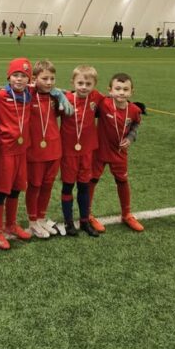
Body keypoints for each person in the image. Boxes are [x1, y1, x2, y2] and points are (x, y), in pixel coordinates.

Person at [88, 73, 144, 232]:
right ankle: (87, 214)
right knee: (92, 180)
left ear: (131, 92)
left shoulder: (134, 110)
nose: (121, 92)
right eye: (117, 88)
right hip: (99, 151)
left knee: (122, 181)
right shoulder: (104, 103)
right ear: (110, 90)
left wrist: (131, 138)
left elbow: (135, 125)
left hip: (119, 152)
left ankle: (126, 214)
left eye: (125, 89)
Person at [0, 58, 33, 249]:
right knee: (2, 190)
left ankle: (11, 224)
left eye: (23, 76)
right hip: (5, 151)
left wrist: (60, 93)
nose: (19, 79)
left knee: (16, 188)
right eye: (15, 75)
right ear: (9, 77)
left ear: (29, 79)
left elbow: (50, 88)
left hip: (22, 151)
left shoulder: (30, 94)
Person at [59, 65, 104, 237]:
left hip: (87, 151)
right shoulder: (65, 98)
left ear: (94, 85)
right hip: (68, 152)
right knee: (68, 187)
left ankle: (85, 221)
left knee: (84, 186)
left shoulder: (96, 97)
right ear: (73, 82)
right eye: (80, 83)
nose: (84, 87)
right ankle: (69, 222)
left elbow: (113, 99)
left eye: (88, 84)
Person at [25, 60, 69, 238]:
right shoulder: (28, 94)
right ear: (34, 79)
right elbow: (13, 86)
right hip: (35, 151)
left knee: (48, 185)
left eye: (52, 78)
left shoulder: (55, 97)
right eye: (45, 78)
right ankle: (32, 221)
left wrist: (61, 93)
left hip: (54, 149)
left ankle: (41, 218)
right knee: (34, 185)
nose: (49, 82)